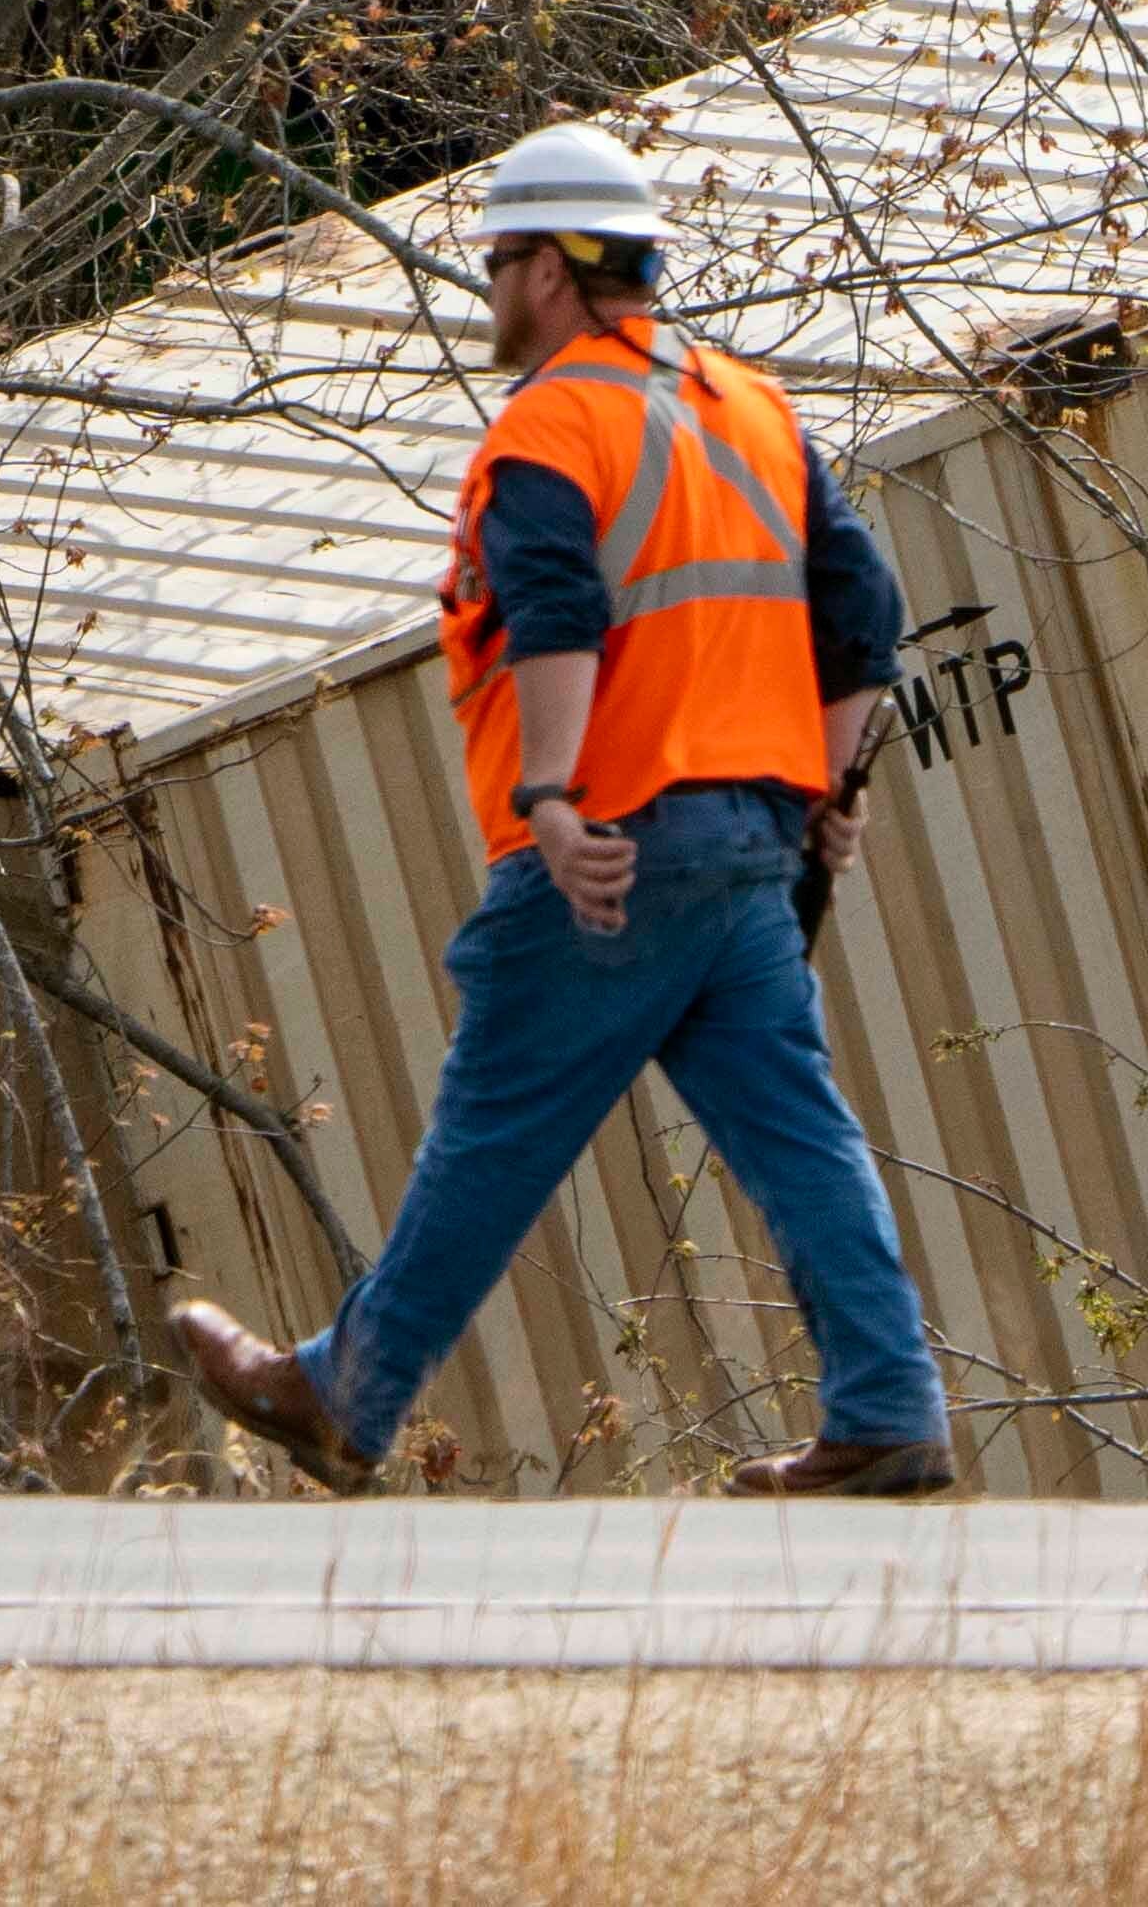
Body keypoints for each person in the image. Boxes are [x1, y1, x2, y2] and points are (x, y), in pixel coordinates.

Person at [166, 123, 954, 1494]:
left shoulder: (548, 425)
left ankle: (340, 1392)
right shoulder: (750, 409)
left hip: (613, 843)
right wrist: (832, 789)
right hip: (749, 851)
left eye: (497, 263)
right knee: (794, 1124)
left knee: (498, 1119)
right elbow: (864, 614)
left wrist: (546, 793)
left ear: (546, 267)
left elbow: (556, 611)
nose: (489, 292)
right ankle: (886, 1405)